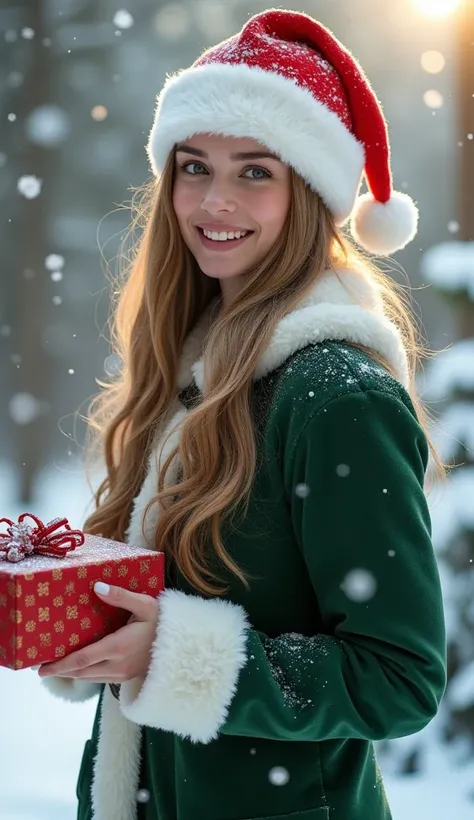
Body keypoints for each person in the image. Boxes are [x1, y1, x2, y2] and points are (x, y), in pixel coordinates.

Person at [38, 8, 447, 820]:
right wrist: (73, 605)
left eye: (255, 171)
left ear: (312, 194)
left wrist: (180, 656)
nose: (213, 201)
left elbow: (399, 678)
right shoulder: (187, 367)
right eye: (195, 167)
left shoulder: (337, 396)